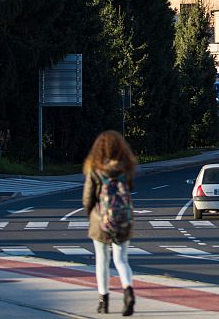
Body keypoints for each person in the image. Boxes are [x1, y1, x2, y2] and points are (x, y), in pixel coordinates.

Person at [83, 130, 136, 316]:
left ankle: (103, 301)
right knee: (121, 259)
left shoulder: (95, 169)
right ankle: (128, 290)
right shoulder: (126, 167)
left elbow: (88, 198)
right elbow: (130, 190)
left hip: (100, 220)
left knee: (102, 260)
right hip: (123, 220)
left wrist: (91, 215)